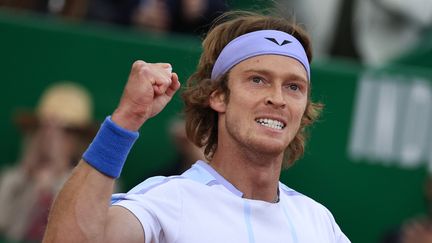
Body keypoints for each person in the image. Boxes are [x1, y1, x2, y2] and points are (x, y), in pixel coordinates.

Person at [43, 11, 350, 243]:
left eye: (294, 87)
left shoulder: (319, 222)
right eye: (258, 80)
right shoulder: (168, 199)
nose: (277, 98)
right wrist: (125, 120)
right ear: (218, 96)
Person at [0, 82, 96, 242]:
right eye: (44, 128)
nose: (53, 138)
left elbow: (82, 231)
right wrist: (26, 174)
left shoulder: (98, 182)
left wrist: (59, 172)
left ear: (80, 139)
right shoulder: (13, 177)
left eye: (67, 131)